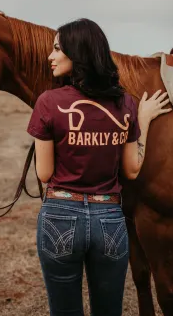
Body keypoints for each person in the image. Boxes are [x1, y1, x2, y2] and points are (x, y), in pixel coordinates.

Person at [27, 18, 171, 316]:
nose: (50, 56)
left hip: (61, 217)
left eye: (57, 49)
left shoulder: (48, 102)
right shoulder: (125, 105)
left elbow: (43, 174)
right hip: (109, 219)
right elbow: (131, 171)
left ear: (77, 53)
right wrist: (141, 120)